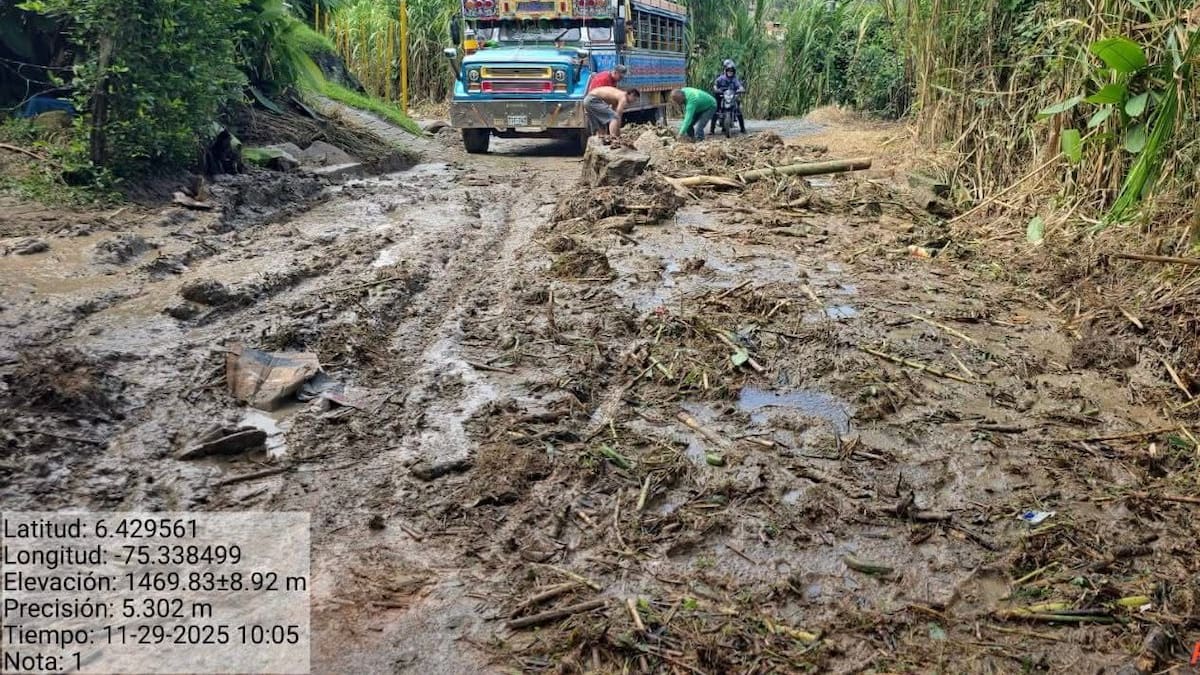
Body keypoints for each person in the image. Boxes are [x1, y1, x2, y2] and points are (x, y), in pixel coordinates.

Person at [710, 59, 745, 134]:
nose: (730, 72)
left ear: (734, 72)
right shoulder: (721, 78)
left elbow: (740, 86)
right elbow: (715, 84)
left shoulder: (735, 79)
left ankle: (743, 128)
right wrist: (716, 89)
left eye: (731, 71)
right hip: (721, 95)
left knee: (738, 110)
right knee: (716, 110)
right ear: (726, 71)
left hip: (732, 96)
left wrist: (741, 89)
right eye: (728, 71)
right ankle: (711, 130)